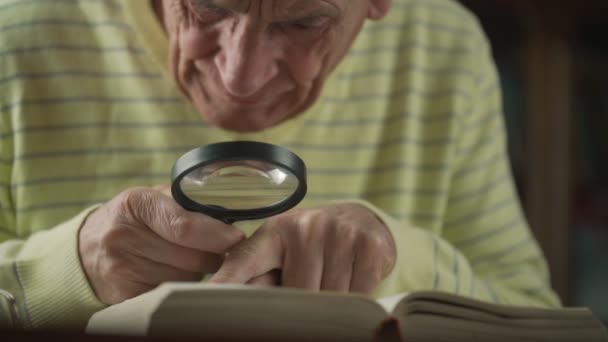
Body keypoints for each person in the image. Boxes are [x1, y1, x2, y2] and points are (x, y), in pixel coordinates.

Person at [0, 0, 560, 331]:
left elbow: (540, 320)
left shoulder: (444, 48)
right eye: (210, 5)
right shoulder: (13, 36)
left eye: (302, 21)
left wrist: (398, 257)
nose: (240, 79)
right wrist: (64, 271)